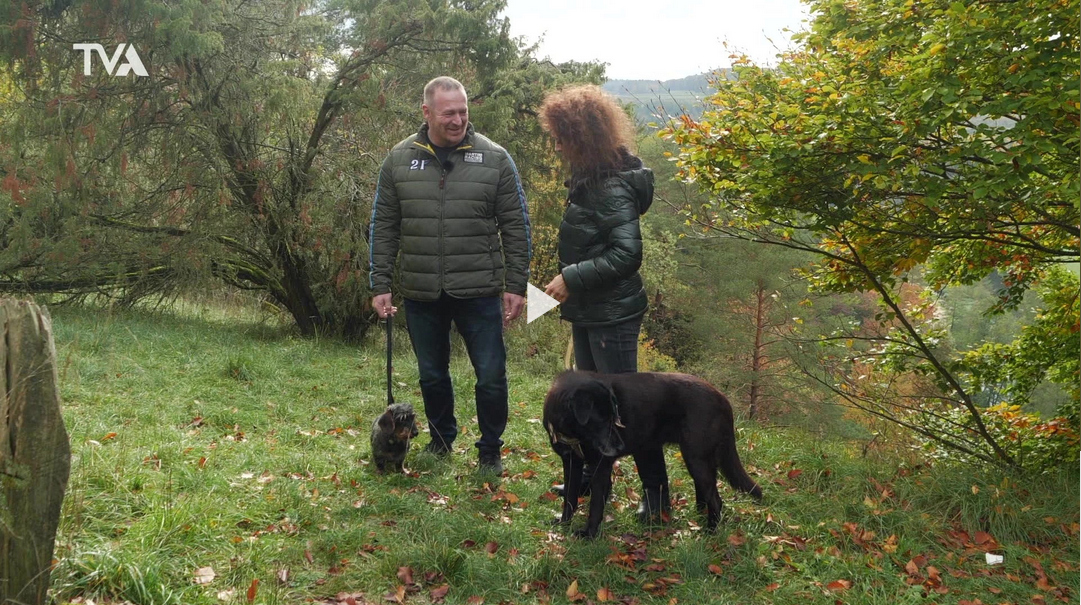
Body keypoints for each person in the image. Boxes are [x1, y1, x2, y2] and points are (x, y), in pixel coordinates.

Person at [369, 76, 531, 475]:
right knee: (432, 375)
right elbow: (384, 225)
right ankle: (442, 441)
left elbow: (516, 226)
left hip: (479, 290)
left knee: (491, 376)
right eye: (449, 113)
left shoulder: (494, 159)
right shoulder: (399, 159)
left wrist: (515, 285)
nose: (458, 120)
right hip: (423, 291)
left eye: (463, 111)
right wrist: (380, 284)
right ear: (427, 113)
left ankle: (490, 449)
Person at [539, 84, 670, 523]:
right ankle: (598, 481)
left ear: (583, 137)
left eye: (561, 137)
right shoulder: (589, 178)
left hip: (613, 315)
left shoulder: (610, 187)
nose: (557, 146)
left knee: (630, 408)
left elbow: (627, 255)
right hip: (591, 310)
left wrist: (571, 278)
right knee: (594, 406)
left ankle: (656, 497)